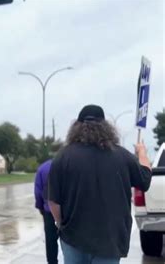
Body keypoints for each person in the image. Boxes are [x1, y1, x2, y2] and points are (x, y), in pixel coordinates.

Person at [48, 104, 152, 264]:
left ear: (76, 127)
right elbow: (145, 180)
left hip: (73, 237)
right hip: (109, 241)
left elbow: (53, 200)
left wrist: (61, 223)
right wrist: (142, 153)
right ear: (106, 127)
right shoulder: (122, 156)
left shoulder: (63, 157)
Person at [34, 159, 58, 264]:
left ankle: (52, 262)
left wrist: (40, 207)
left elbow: (38, 191)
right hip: (68, 211)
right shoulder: (70, 165)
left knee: (50, 240)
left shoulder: (43, 168)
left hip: (49, 210)